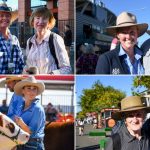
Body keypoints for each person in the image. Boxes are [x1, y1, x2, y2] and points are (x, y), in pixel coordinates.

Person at [25, 7, 71, 74]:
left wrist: (51, 75)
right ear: (33, 21)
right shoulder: (29, 42)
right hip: (34, 83)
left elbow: (67, 68)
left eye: (44, 18)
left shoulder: (55, 39)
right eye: (38, 18)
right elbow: (28, 66)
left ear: (49, 22)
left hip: (50, 83)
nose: (40, 22)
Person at [13, 76, 46, 150]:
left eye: (34, 89)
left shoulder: (38, 108)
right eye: (29, 88)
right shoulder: (20, 107)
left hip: (33, 145)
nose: (32, 91)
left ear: (37, 92)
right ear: (23, 91)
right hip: (22, 143)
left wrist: (21, 123)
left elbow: (31, 132)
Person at [0, 2, 24, 74]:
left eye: (7, 16)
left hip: (15, 82)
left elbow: (21, 62)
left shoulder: (15, 39)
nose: (5, 18)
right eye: (1, 15)